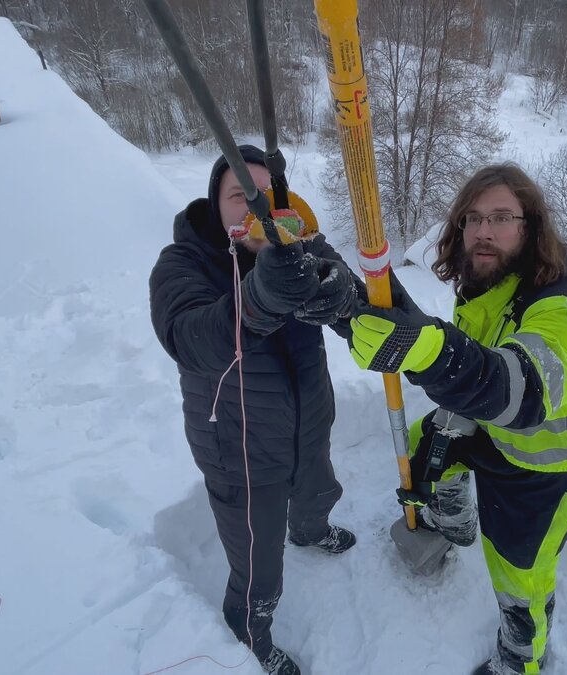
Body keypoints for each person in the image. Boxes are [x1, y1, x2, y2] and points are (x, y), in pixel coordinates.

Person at [347, 164, 567, 674]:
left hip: (548, 470)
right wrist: (353, 307)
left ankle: (520, 659)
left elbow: (520, 388)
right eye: (472, 218)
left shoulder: (566, 304)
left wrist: (426, 351)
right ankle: (455, 519)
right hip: (495, 427)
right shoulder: (489, 286)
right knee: (427, 441)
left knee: (519, 578)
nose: (483, 231)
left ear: (530, 227)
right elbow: (460, 350)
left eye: (501, 217)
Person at [149, 145, 359, 675]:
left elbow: (357, 300)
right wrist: (260, 297)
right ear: (216, 205)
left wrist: (341, 295)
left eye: (264, 197)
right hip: (238, 445)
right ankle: (249, 627)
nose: (254, 208)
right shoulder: (184, 261)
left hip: (308, 419)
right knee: (257, 560)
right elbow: (189, 337)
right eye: (240, 195)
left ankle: (311, 529)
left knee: (318, 488)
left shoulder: (301, 244)